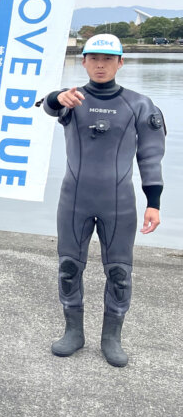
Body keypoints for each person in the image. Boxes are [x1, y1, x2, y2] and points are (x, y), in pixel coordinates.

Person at [42, 33, 165, 367]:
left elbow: (150, 157)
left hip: (119, 202)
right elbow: (47, 105)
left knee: (119, 272)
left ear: (120, 63)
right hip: (74, 200)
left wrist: (153, 201)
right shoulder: (72, 100)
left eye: (108, 59)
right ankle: (73, 332)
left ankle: (112, 337)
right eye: (93, 58)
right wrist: (57, 96)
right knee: (69, 267)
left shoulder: (139, 104)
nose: (100, 65)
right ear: (83, 61)